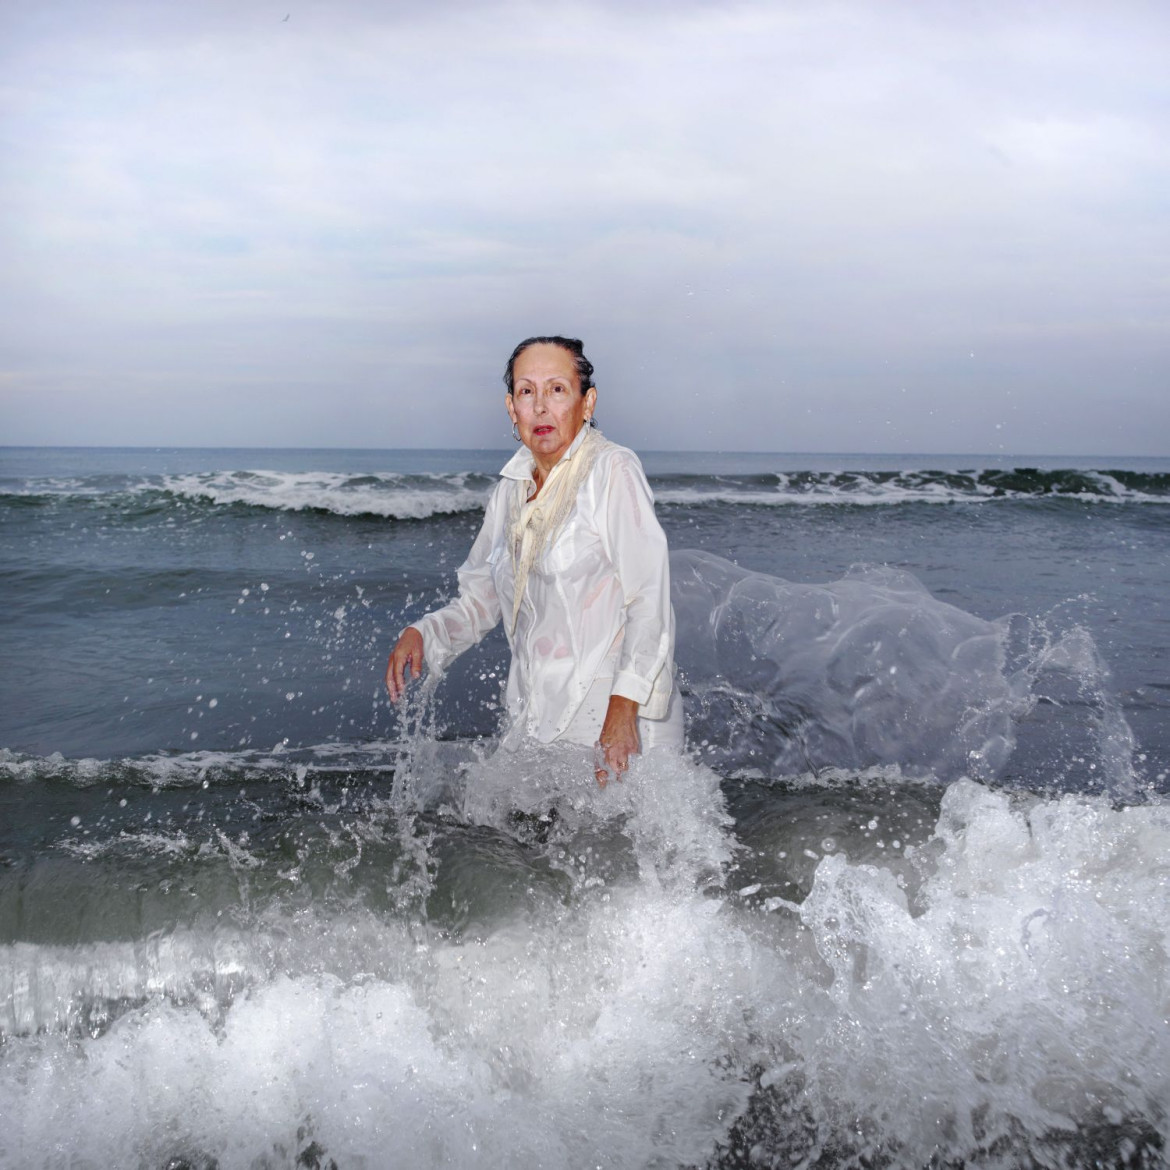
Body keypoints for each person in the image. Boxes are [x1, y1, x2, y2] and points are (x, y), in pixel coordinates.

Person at [385, 336, 681, 785]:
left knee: (626, 853)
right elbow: (482, 600)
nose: (541, 407)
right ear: (511, 408)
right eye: (527, 392)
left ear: (587, 403)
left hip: (618, 715)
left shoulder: (612, 471)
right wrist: (425, 633)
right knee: (525, 852)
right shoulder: (511, 488)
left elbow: (649, 597)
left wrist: (623, 710)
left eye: (557, 389)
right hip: (537, 716)